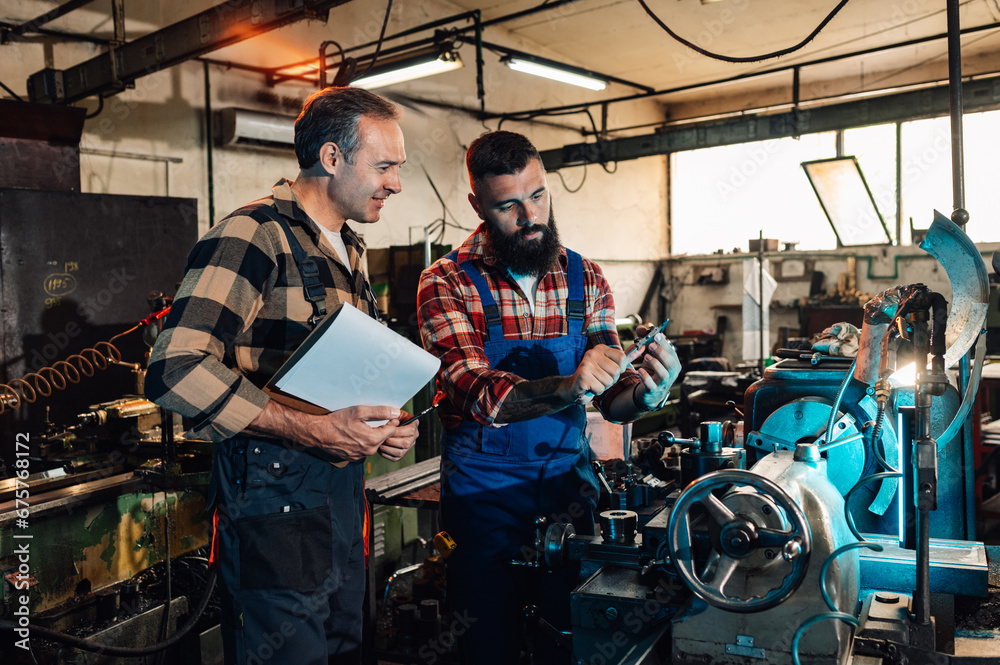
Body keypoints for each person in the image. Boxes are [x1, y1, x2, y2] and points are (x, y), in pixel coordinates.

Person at [145, 86, 419, 665]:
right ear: (331, 157)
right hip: (273, 499)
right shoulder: (253, 235)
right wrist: (310, 430)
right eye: (386, 165)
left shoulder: (348, 249)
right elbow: (174, 367)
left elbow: (343, 380)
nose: (396, 182)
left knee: (346, 648)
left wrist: (387, 424)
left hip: (341, 497)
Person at [416, 130, 681, 664]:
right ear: (478, 206)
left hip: (569, 490)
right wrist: (569, 385)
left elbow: (612, 400)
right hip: (483, 499)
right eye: (509, 205)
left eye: (538, 196)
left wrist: (648, 393)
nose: (530, 215)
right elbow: (475, 393)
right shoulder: (445, 281)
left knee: (575, 636)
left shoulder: (587, 279)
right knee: (485, 642)